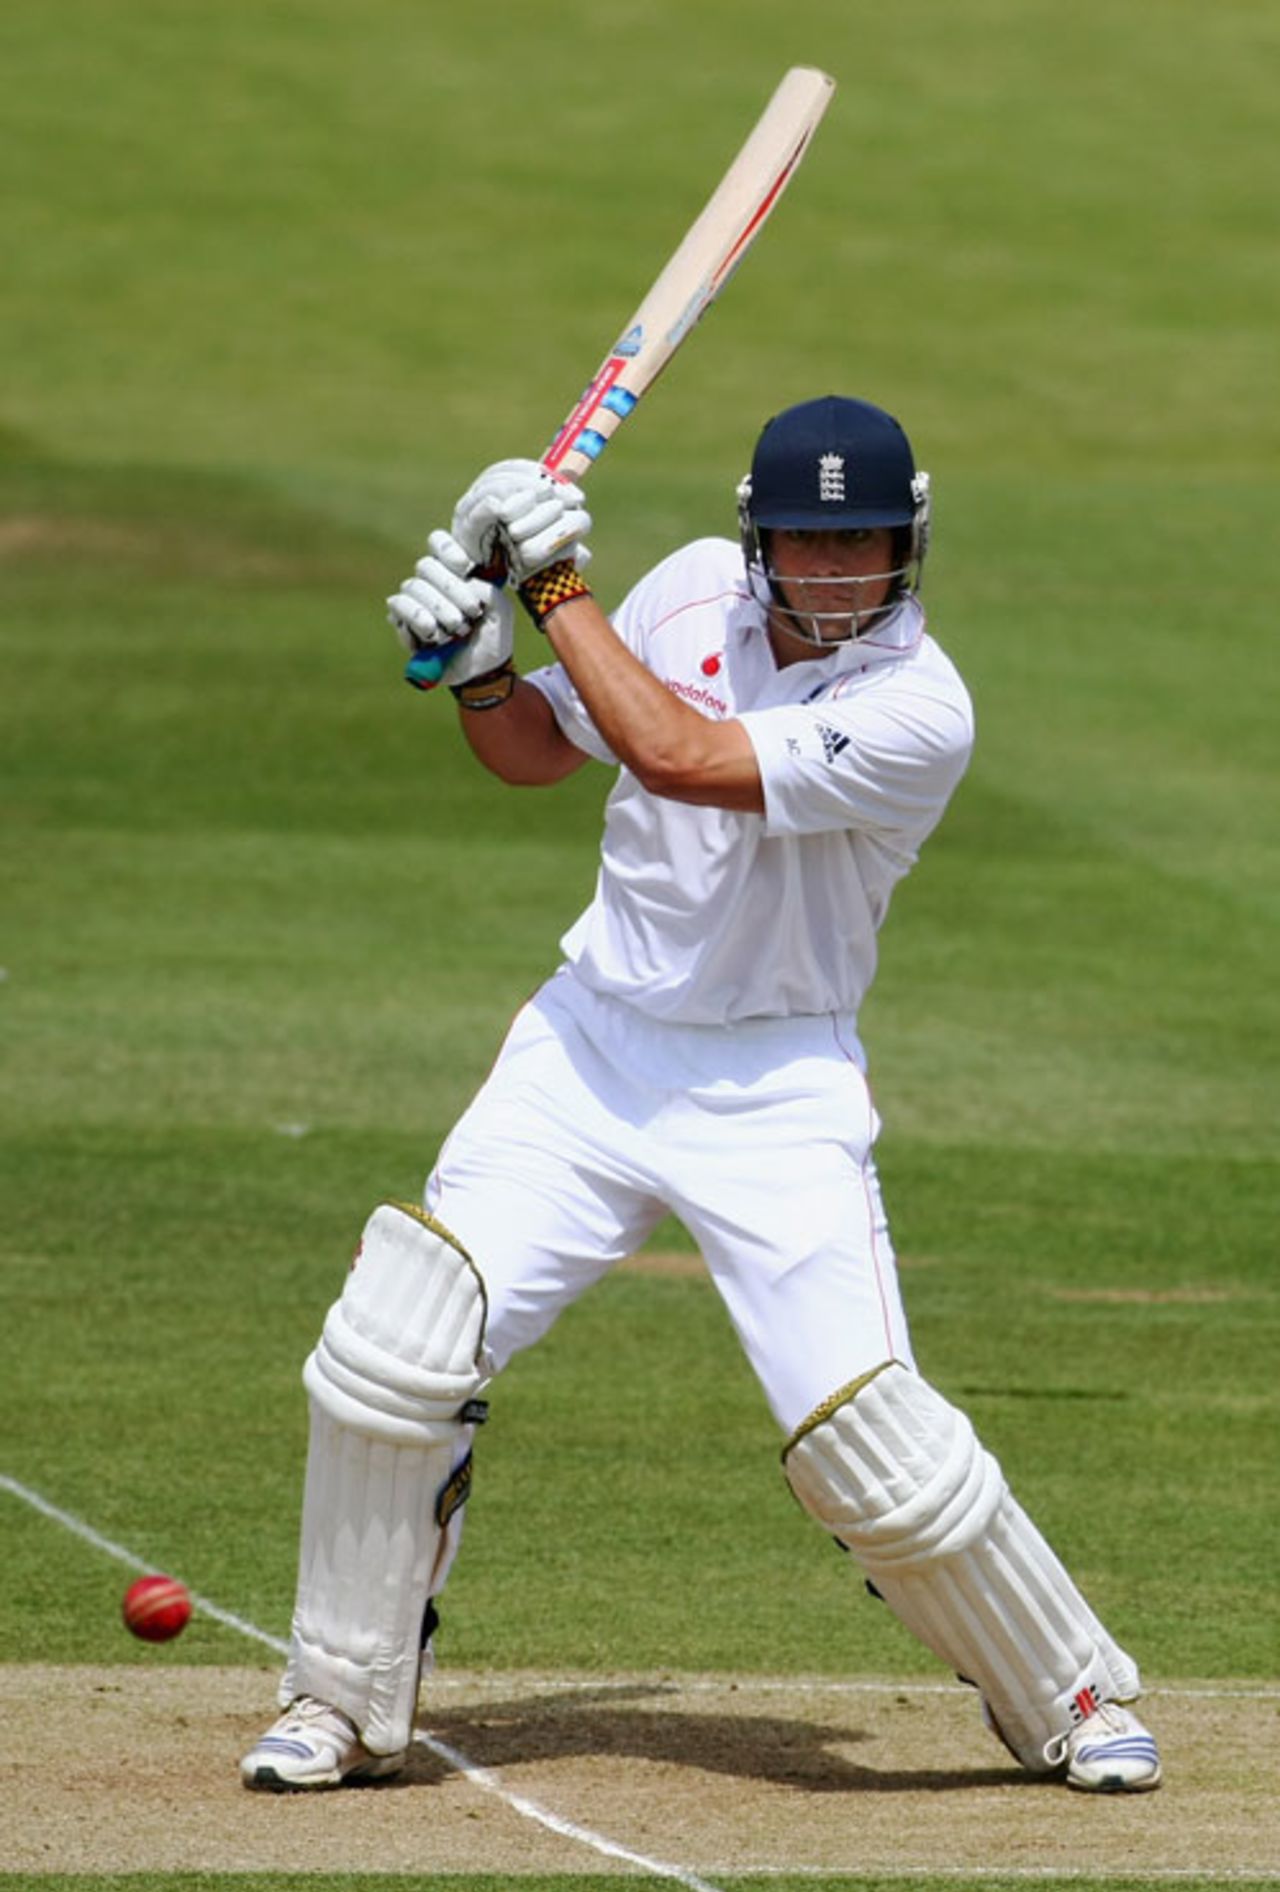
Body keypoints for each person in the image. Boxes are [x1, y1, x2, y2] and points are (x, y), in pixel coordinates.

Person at [240, 395, 1161, 1795]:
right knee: (394, 1343)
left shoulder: (920, 706)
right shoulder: (678, 596)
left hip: (774, 1083)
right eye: (807, 541)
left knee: (873, 1442)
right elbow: (542, 750)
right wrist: (486, 663)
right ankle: (341, 1699)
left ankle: (1070, 1691)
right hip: (590, 1050)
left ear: (909, 548)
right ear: (758, 538)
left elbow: (680, 755)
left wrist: (547, 586)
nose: (835, 573)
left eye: (862, 546)